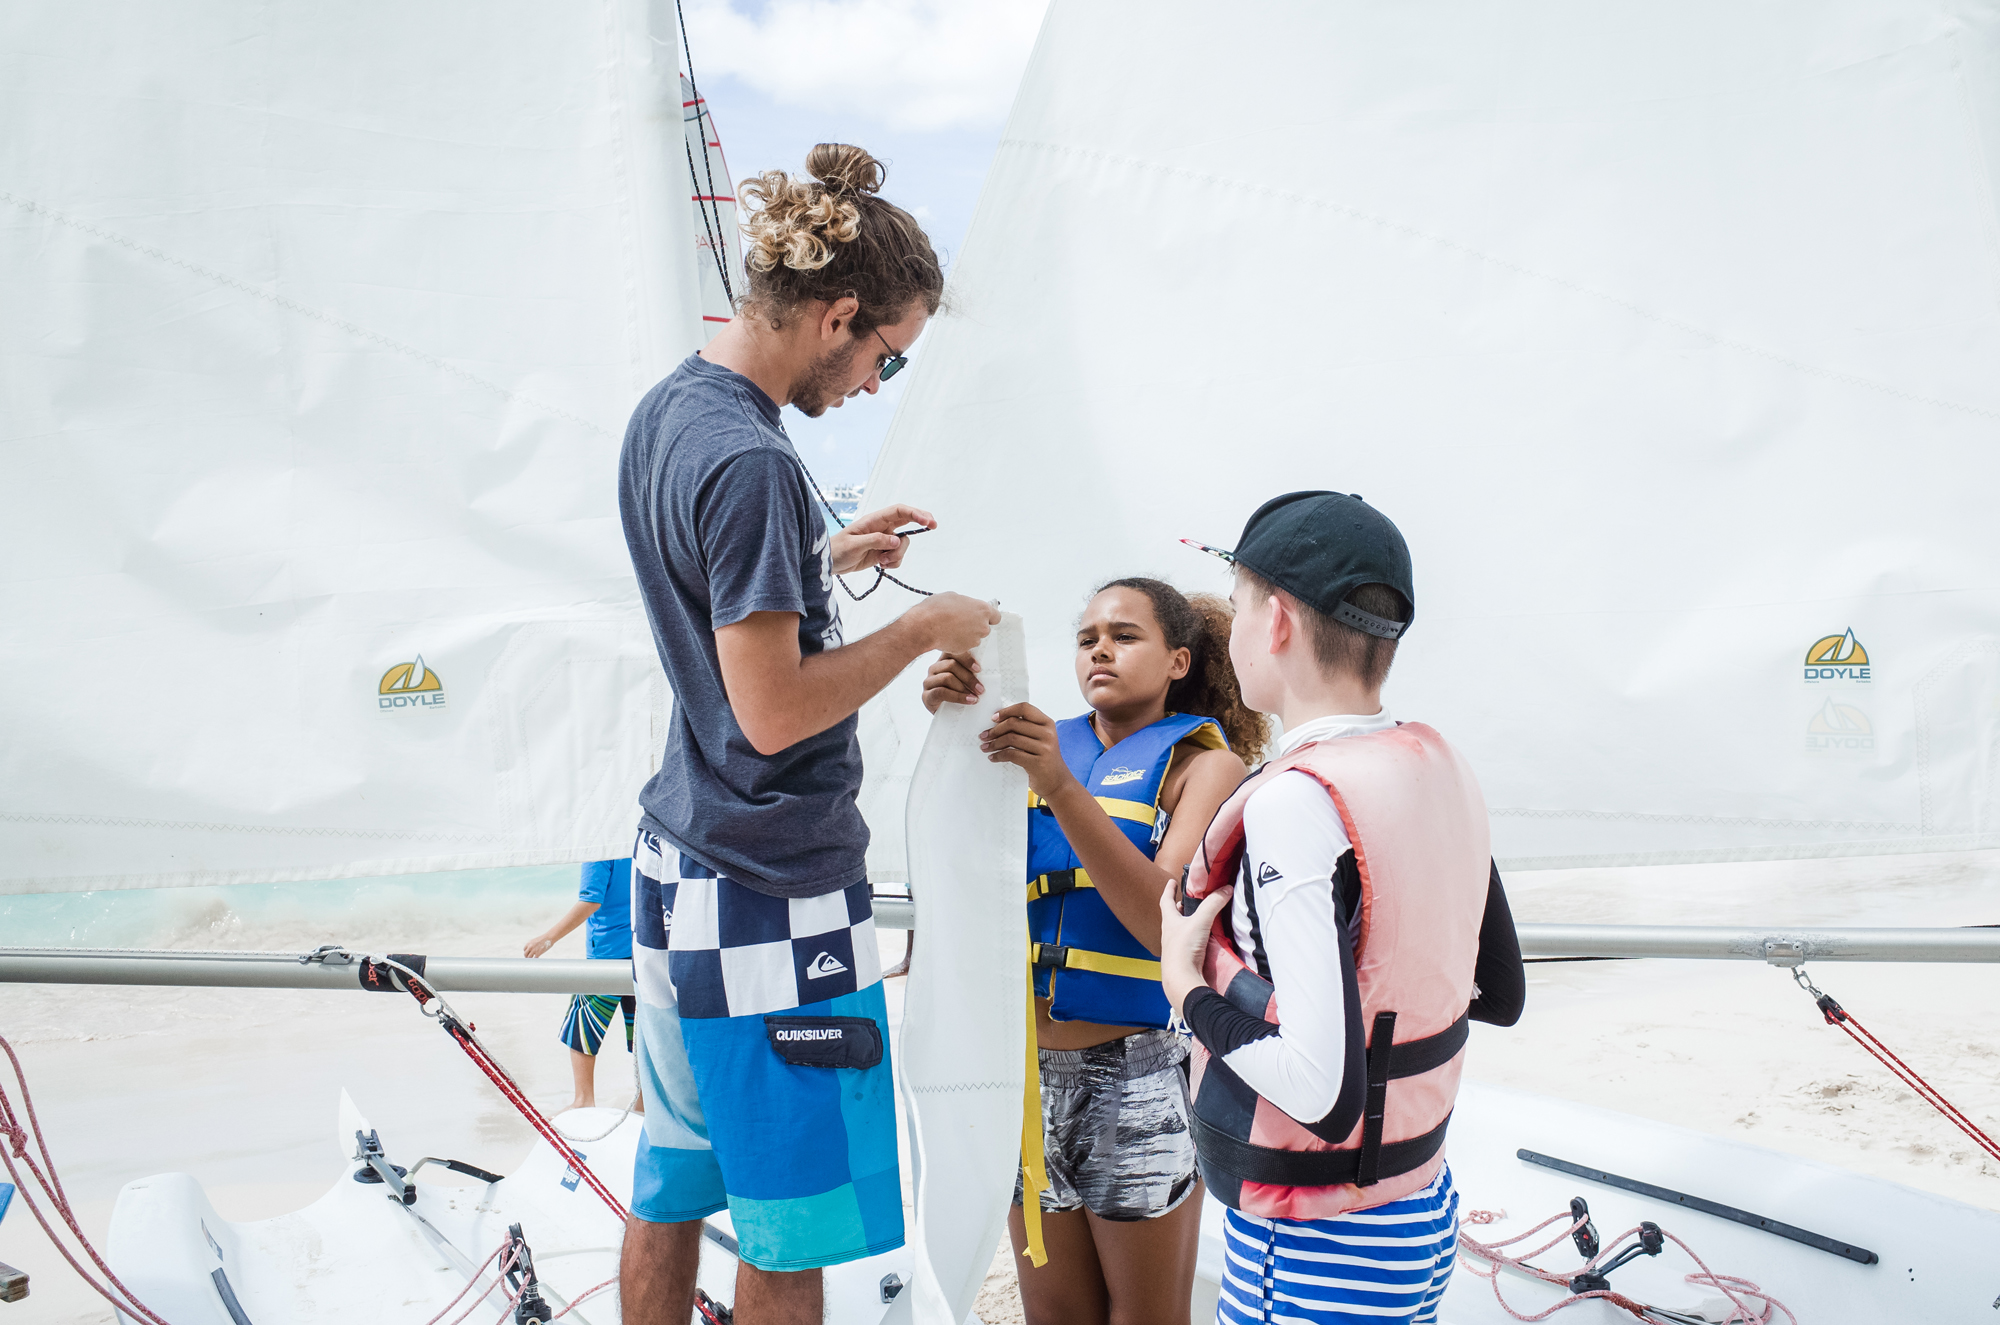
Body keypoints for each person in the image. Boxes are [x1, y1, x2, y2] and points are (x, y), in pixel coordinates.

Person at [615, 142, 1000, 1325]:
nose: (878, 383)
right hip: (766, 889)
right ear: (837, 314)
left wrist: (824, 559)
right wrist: (926, 622)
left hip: (677, 861)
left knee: (672, 1188)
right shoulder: (752, 461)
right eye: (886, 353)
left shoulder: (671, 409)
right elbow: (772, 710)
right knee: (791, 1225)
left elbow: (710, 589)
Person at [1156, 491, 1526, 1325]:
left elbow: (1321, 1092)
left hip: (1317, 1241)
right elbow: (1500, 993)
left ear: (1278, 620)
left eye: (1241, 604)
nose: (1234, 628)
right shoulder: (1437, 762)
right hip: (1419, 1210)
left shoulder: (1297, 800)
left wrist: (1184, 983)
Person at [925, 577, 1265, 1325]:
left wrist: (1058, 786)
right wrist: (950, 722)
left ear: (1179, 660)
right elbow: (955, 864)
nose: (1100, 649)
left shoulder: (1207, 768)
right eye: (1086, 638)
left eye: (1124, 635)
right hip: (1023, 1079)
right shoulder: (1036, 744)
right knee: (1055, 1315)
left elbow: (1162, 923)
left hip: (1137, 1073)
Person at [523, 858, 641, 1114]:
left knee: (582, 1028)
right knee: (645, 1031)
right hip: (643, 950)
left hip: (606, 955)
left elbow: (591, 900)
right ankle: (643, 1103)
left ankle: (584, 1099)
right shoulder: (643, 839)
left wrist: (548, 938)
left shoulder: (599, 852)